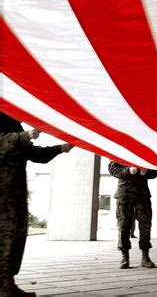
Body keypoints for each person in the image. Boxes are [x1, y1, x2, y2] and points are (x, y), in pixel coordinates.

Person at [0, 113, 74, 296]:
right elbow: (4, 145)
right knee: (4, 239)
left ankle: (8, 283)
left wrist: (61, 148)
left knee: (17, 238)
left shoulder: (14, 124)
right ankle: (3, 286)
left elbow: (34, 154)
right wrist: (26, 135)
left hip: (15, 194)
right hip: (2, 196)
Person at [108, 161, 157, 269]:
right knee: (123, 225)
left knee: (145, 225)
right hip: (125, 193)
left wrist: (147, 172)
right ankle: (124, 257)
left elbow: (155, 171)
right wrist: (128, 170)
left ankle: (145, 257)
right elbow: (112, 169)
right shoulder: (122, 151)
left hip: (142, 194)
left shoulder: (145, 152)